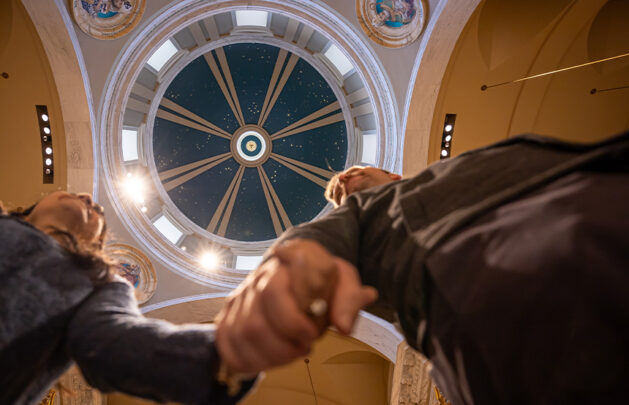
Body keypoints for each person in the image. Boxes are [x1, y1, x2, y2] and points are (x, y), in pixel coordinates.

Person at [216, 132, 629, 404]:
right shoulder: (360, 217)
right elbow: (313, 240)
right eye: (340, 188)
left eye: (356, 171)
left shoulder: (446, 173)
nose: (345, 178)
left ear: (395, 174)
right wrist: (287, 267)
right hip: (488, 294)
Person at [0, 191, 275, 404]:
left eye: (98, 212)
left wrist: (228, 354)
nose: (92, 200)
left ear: (95, 243)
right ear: (33, 206)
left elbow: (115, 343)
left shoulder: (97, 283)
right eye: (77, 194)